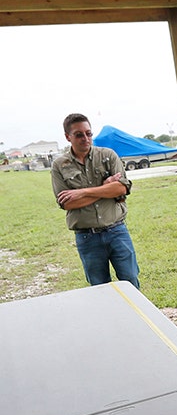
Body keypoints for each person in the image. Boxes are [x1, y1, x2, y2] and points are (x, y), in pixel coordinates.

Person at [52, 113, 140, 289]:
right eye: (79, 134)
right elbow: (68, 203)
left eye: (88, 133)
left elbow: (121, 188)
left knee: (130, 282)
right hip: (87, 237)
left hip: (117, 231)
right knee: (99, 288)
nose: (85, 138)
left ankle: (133, 317)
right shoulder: (59, 165)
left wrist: (82, 192)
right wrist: (105, 188)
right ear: (67, 137)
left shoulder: (108, 155)